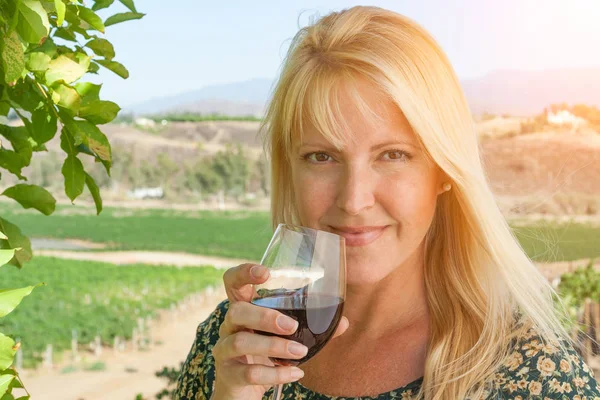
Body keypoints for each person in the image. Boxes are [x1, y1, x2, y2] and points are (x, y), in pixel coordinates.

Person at [175, 6, 600, 400]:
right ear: (290, 169)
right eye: (321, 157)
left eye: (392, 155)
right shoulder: (234, 346)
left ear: (444, 172)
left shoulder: (533, 376)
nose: (355, 199)